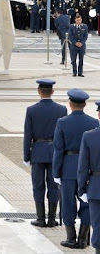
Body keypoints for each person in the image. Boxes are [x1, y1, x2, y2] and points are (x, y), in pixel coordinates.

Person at [53, 89, 98, 249]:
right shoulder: (94, 122)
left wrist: (56, 172)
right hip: (87, 170)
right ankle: (83, 238)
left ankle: (70, 238)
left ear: (70, 104)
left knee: (67, 203)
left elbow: (58, 150)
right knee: (86, 203)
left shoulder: (62, 122)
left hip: (68, 167)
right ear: (85, 104)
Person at [23, 79, 67, 229]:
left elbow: (28, 135)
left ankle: (40, 218)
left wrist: (26, 156)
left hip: (38, 151)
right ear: (52, 92)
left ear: (39, 91)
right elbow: (63, 135)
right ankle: (52, 218)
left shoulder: (31, 110)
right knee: (54, 185)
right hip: (55, 151)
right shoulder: (61, 110)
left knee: (38, 185)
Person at [77, 101, 100, 252]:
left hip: (96, 188)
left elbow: (83, 167)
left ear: (99, 115)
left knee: (97, 224)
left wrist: (82, 189)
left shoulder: (89, 137)